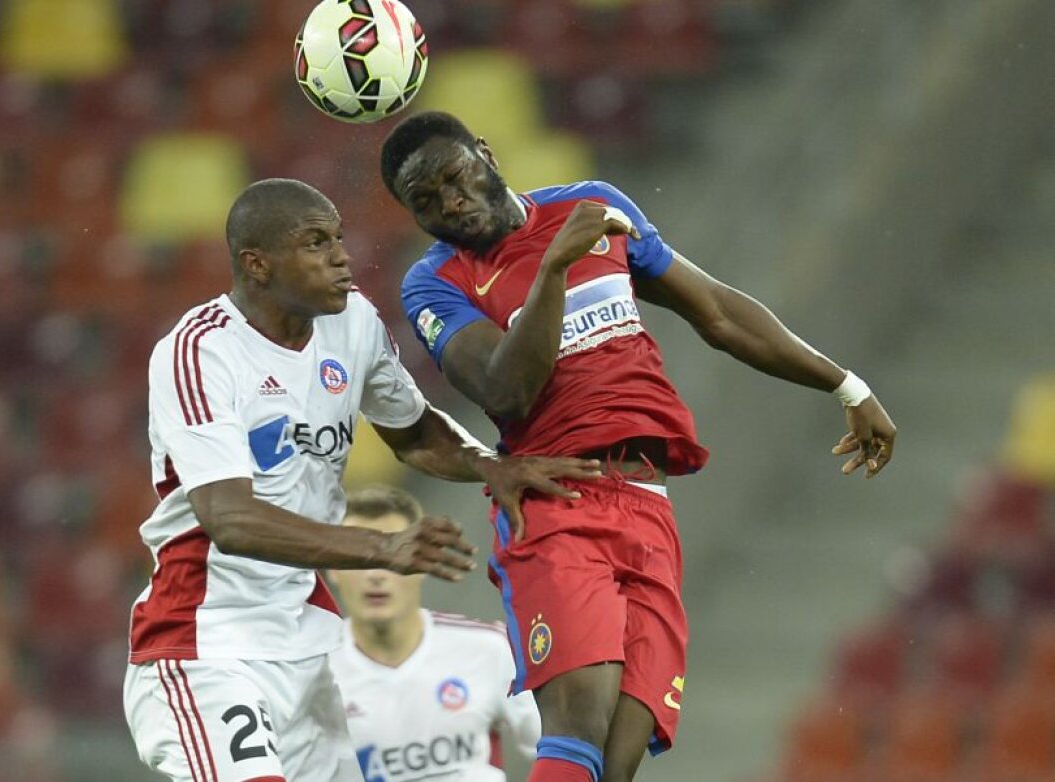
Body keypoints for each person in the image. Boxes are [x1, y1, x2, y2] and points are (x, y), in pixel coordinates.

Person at [378, 112, 899, 782]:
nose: (450, 203)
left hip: (647, 502)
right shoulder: (436, 283)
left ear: (483, 153)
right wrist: (555, 269)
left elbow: (715, 311)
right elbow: (505, 390)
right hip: (555, 503)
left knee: (617, 759)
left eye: (454, 177)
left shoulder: (591, 208)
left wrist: (845, 385)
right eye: (425, 202)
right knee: (576, 726)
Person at [122, 178, 601, 782]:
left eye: (340, 238)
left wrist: (491, 464)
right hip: (206, 640)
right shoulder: (199, 352)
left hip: (307, 637)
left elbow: (413, 431)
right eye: (316, 243)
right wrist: (383, 548)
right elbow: (230, 519)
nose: (342, 256)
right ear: (258, 265)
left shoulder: (352, 325)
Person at [329, 485, 541, 782]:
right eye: (359, 558)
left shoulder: (489, 649)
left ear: (422, 562)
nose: (375, 575)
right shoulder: (314, 672)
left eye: (392, 555)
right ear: (333, 570)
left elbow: (558, 748)